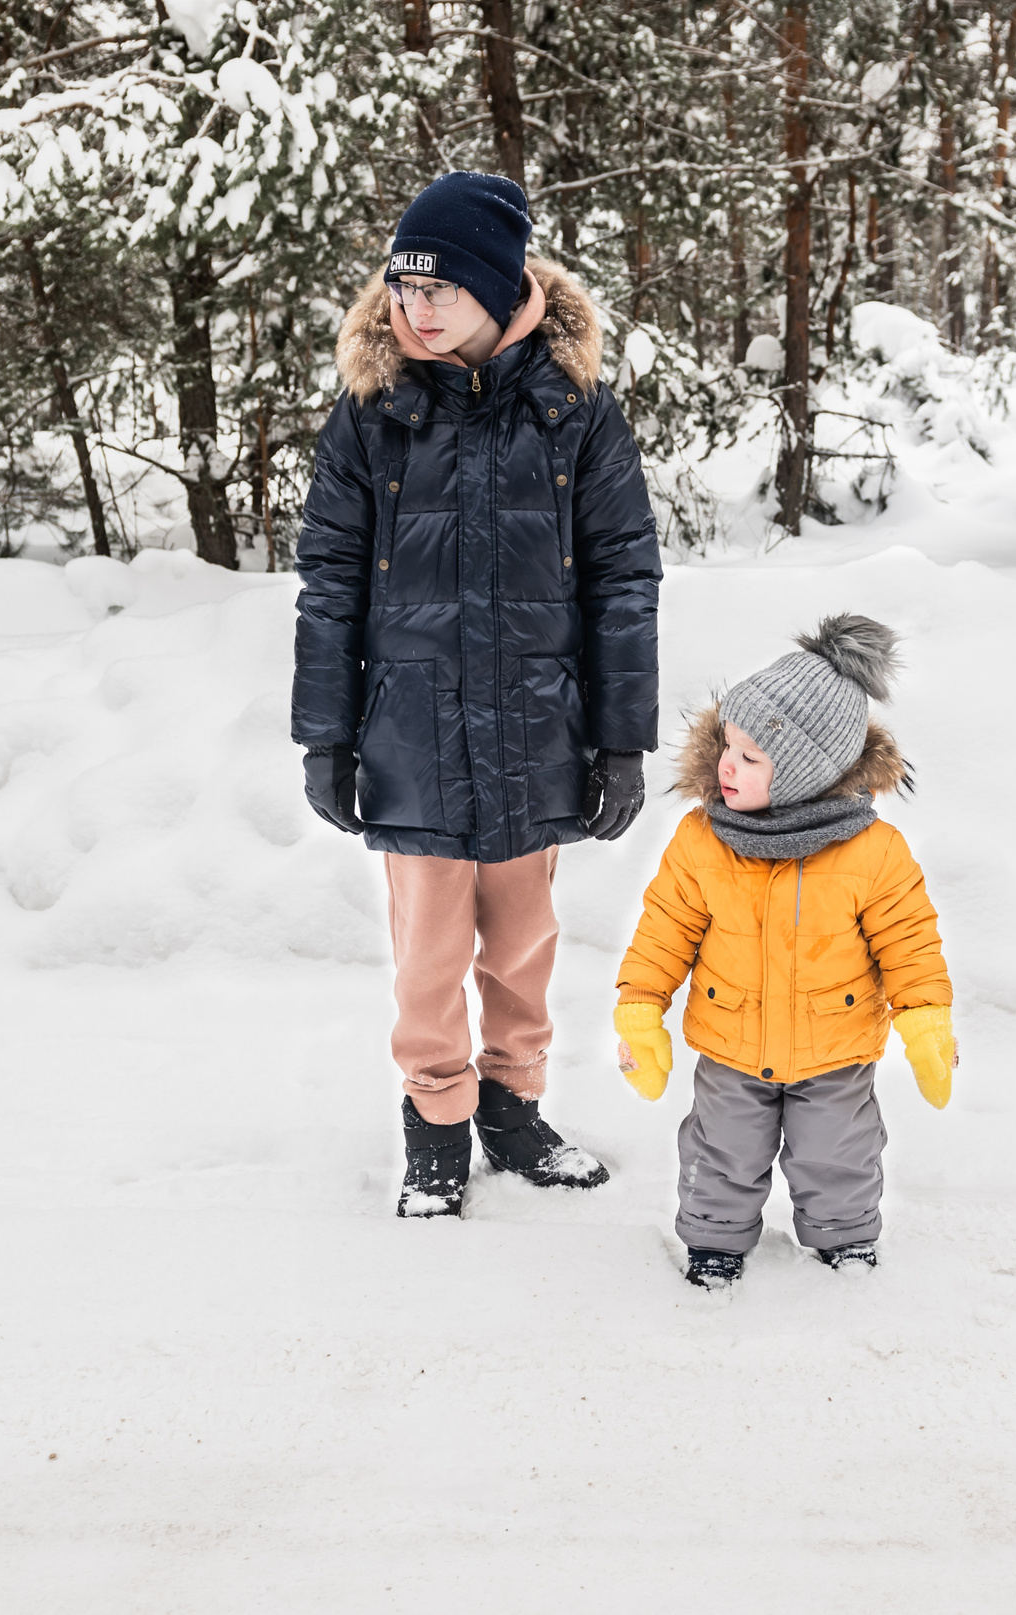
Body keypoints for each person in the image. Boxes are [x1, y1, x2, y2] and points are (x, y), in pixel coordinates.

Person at [291, 171, 663, 1219]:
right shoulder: (373, 415)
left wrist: (619, 740)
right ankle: (437, 1124)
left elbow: (624, 577)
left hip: (540, 723)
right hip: (409, 729)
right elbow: (328, 580)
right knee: (428, 952)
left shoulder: (575, 413)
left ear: (498, 290)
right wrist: (326, 736)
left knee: (524, 945)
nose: (415, 306)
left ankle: (513, 1107)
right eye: (402, 286)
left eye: (440, 287)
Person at [609, 616, 958, 1287]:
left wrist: (925, 1020)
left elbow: (909, 941)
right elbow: (664, 927)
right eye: (727, 747)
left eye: (751, 758)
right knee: (720, 1150)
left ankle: (844, 1239)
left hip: (836, 1048)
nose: (726, 766)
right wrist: (640, 1006)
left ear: (804, 774)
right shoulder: (703, 839)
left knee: (840, 1151)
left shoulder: (872, 852)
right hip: (731, 1043)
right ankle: (714, 1240)